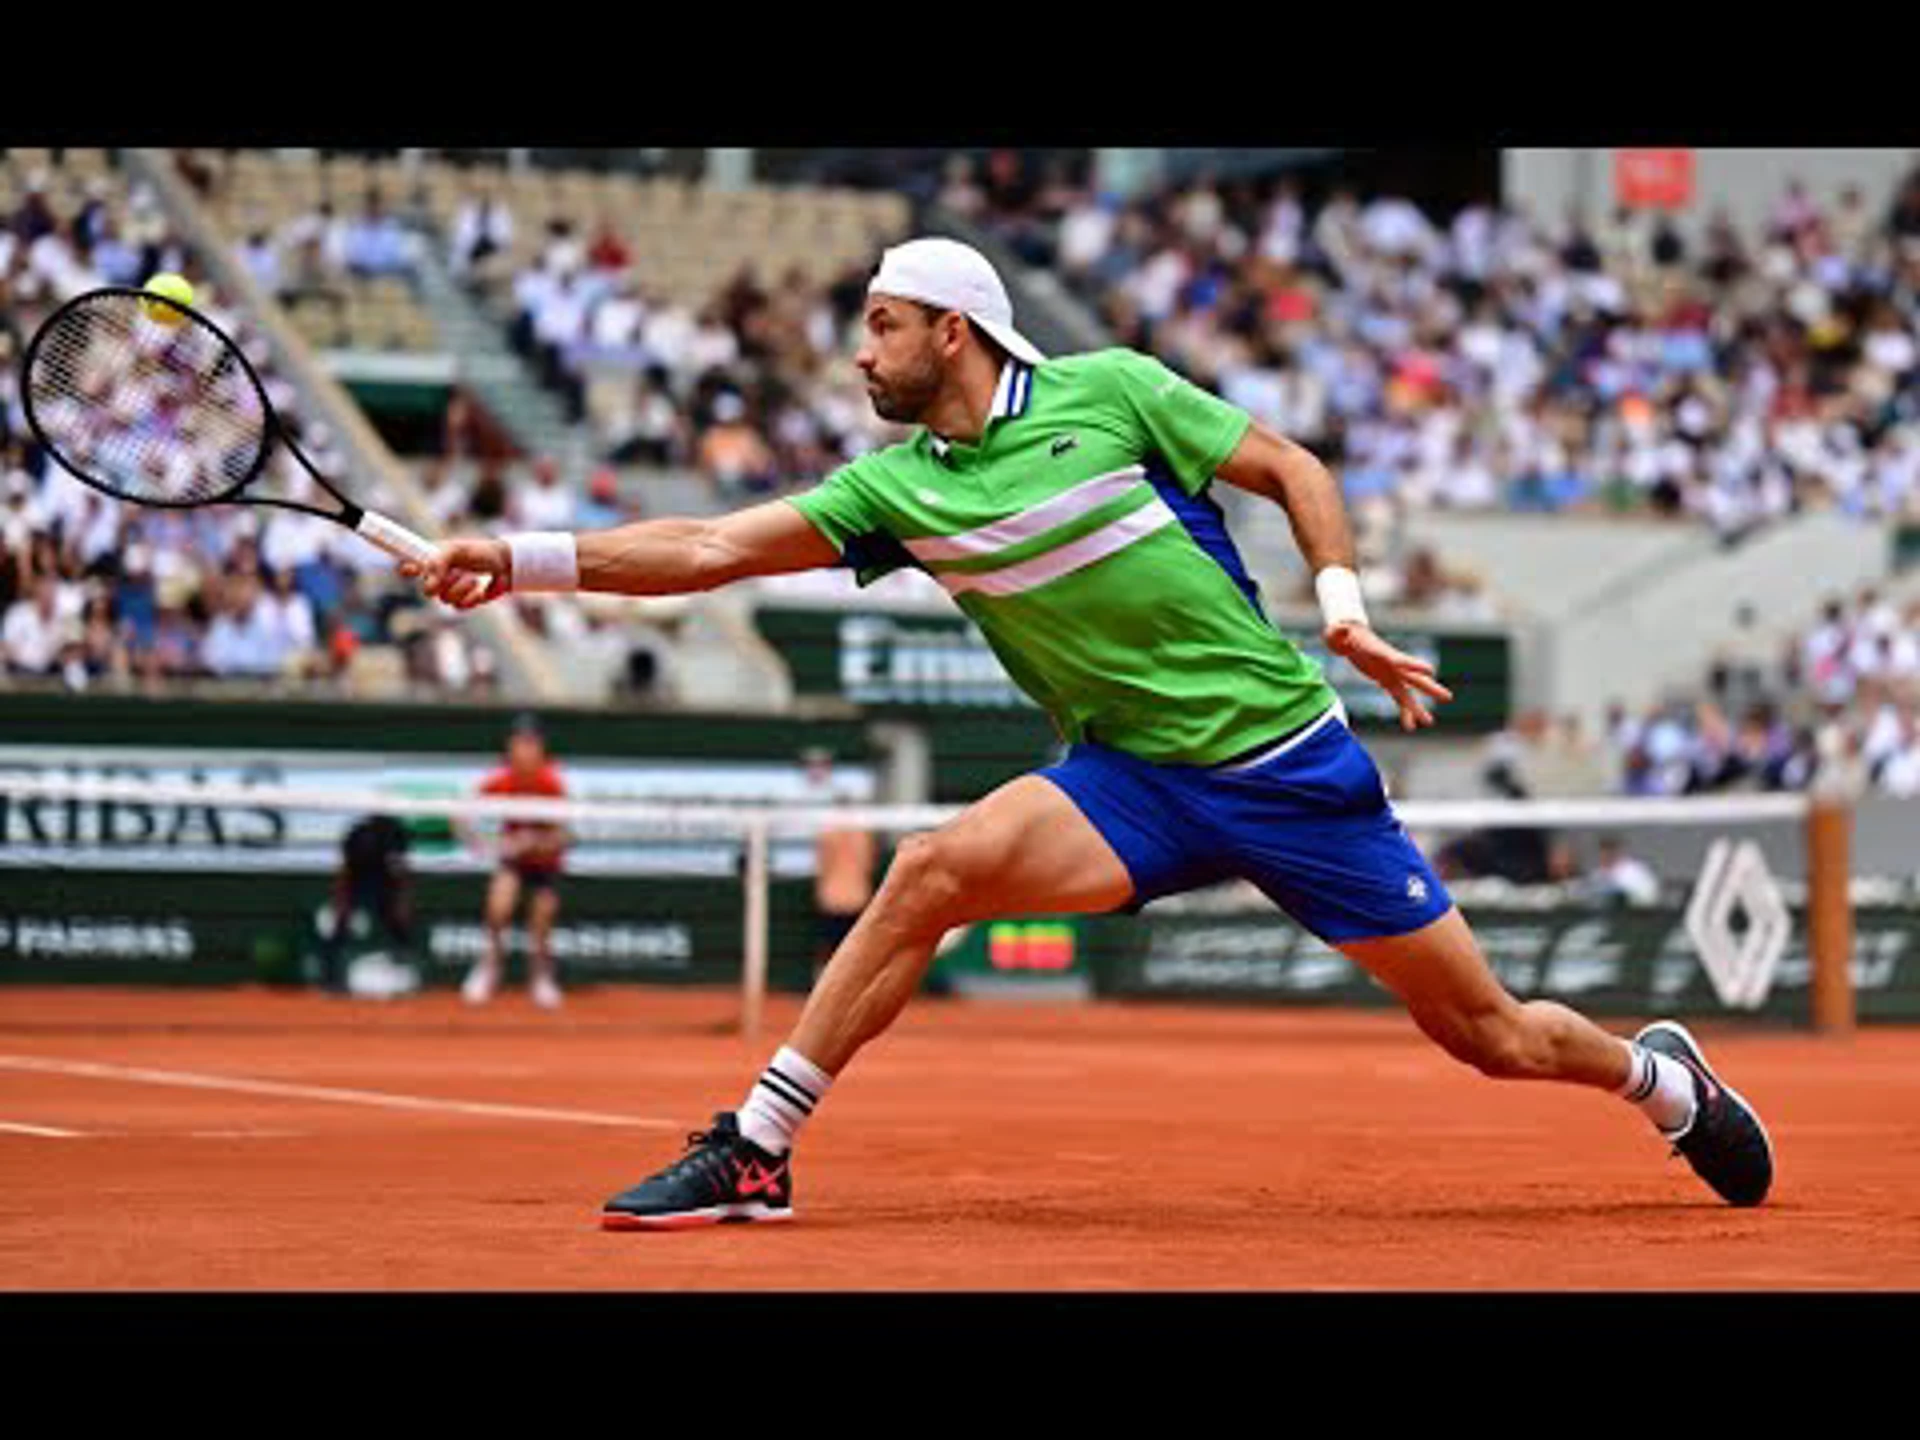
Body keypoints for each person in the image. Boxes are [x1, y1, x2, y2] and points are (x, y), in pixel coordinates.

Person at [408, 236, 1774, 1228]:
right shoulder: (897, 487)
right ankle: (757, 1147)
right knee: (929, 871)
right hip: (1131, 783)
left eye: (881, 324)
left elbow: (1291, 467)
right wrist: (518, 561)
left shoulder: (1111, 392)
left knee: (1491, 1037)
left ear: (955, 328)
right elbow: (707, 544)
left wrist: (1344, 608)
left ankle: (1658, 1082)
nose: (859, 351)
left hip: (1292, 769)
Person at [460, 714, 570, 1010]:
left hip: (545, 864)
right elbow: (459, 815)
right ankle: (489, 968)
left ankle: (541, 977)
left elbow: (564, 835)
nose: (524, 749)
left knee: (542, 918)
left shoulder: (551, 782)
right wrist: (484, 845)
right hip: (513, 863)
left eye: (530, 743)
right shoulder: (501, 780)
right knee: (498, 908)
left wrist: (535, 843)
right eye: (518, 742)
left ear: (541, 748)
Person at [801, 748, 877, 982]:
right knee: (849, 950)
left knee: (831, 948)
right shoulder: (862, 834)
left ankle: (826, 986)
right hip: (852, 898)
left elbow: (823, 865)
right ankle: (845, 986)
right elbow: (868, 864)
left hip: (834, 898)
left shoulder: (829, 833)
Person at [319, 812, 414, 993]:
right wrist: (341, 902)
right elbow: (345, 873)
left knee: (399, 931)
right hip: (358, 882)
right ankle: (330, 980)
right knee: (340, 930)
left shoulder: (396, 833)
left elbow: (402, 871)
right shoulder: (356, 835)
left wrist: (402, 902)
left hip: (386, 885)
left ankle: (409, 976)